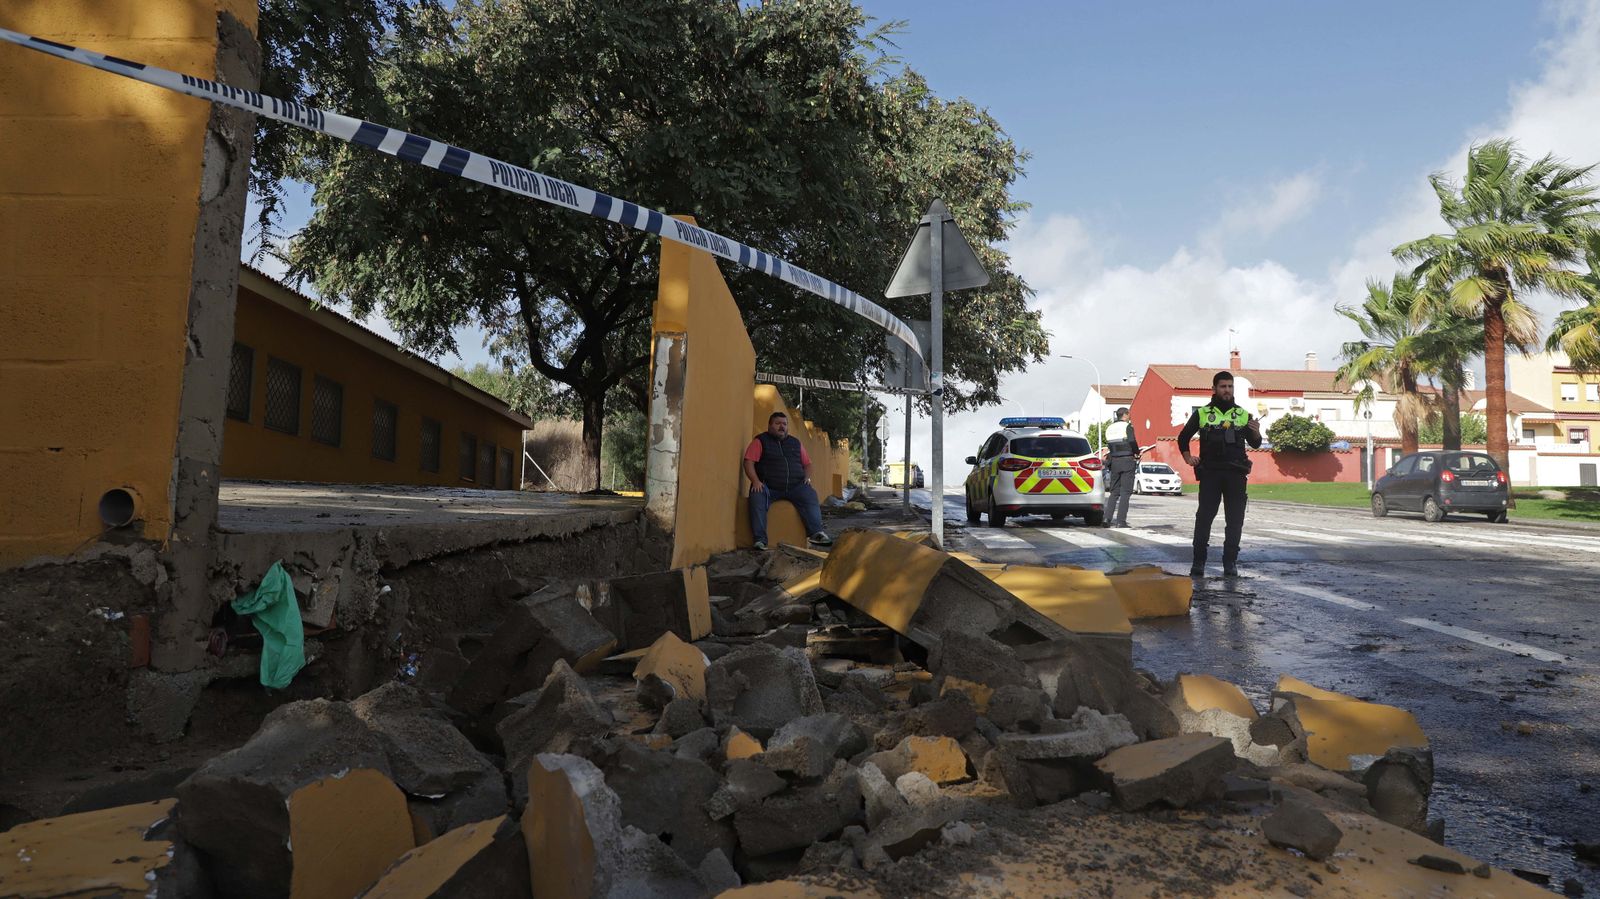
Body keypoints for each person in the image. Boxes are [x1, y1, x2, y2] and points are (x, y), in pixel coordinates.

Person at [1177, 371, 1262, 577]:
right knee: (1204, 518)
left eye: (1230, 387)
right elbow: (1183, 437)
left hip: (1235, 474)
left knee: (1235, 520)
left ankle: (1230, 562)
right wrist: (1188, 458)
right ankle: (1199, 563)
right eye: (1223, 386)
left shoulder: (1242, 414)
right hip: (1211, 474)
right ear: (1214, 389)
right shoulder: (1203, 413)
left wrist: (1256, 430)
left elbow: (1256, 443)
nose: (1227, 390)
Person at [743, 411, 832, 551]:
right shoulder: (760, 441)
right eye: (778, 424)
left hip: (795, 486)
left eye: (784, 424)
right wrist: (755, 481)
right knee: (756, 497)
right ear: (770, 425)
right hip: (768, 486)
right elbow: (749, 462)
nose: (782, 427)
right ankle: (760, 540)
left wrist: (807, 478)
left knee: (810, 494)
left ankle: (816, 533)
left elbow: (808, 464)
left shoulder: (795, 443)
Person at [1101, 407, 1139, 528]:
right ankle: (1121, 521)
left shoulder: (1109, 428)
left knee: (1114, 492)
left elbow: (1111, 446)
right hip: (1127, 460)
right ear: (1125, 415)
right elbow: (1132, 441)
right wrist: (1137, 452)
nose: (1130, 417)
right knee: (1125, 493)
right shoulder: (1127, 426)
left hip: (1114, 462)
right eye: (1129, 415)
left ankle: (1107, 518)